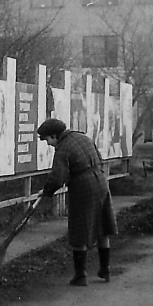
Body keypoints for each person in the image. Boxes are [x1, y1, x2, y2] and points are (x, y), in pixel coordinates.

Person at [37, 118, 117, 286]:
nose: (48, 144)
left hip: (83, 186)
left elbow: (58, 177)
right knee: (102, 227)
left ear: (54, 135)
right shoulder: (83, 137)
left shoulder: (63, 148)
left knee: (79, 230)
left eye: (47, 140)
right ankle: (105, 269)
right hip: (101, 182)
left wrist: (46, 191)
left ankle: (80, 275)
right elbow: (99, 158)